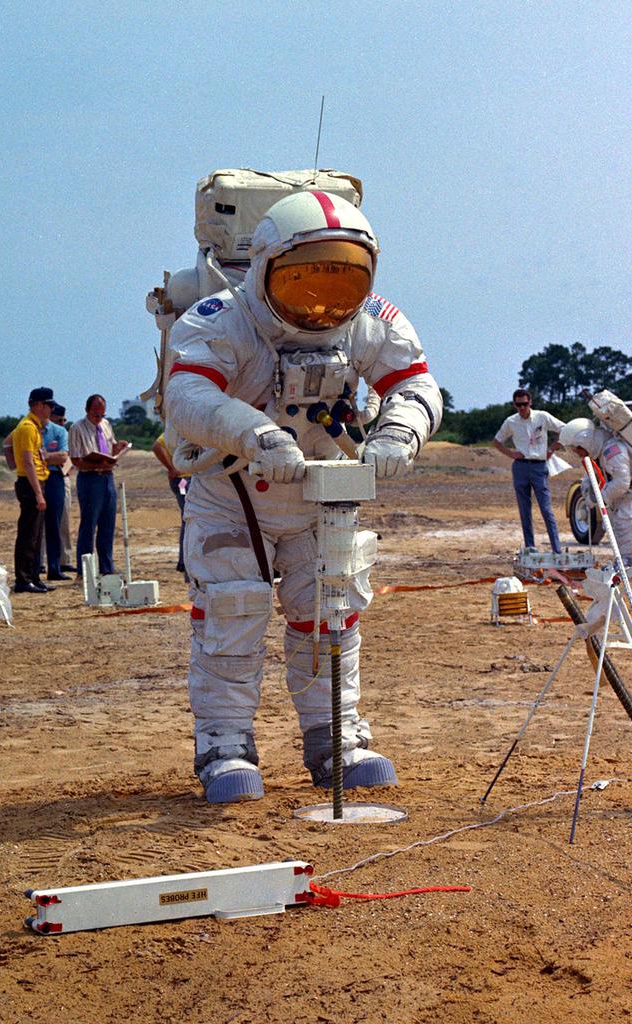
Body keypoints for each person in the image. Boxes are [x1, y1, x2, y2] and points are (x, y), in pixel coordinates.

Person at [162, 189, 443, 804]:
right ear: (264, 266)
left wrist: (400, 429)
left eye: (340, 282)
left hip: (322, 491)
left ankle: (337, 737)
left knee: (331, 615)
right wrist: (255, 432)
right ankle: (225, 744)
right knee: (233, 615)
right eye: (305, 280)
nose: (322, 302)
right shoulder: (219, 318)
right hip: (234, 489)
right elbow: (185, 396)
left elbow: (417, 382)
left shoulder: (370, 319)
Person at [560, 417, 632, 565]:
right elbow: (593, 473)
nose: (577, 453)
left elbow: (622, 482)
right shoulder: (600, 450)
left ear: (584, 441)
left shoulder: (613, 451)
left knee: (624, 520)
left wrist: (600, 498)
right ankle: (623, 558)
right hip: (628, 489)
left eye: (577, 448)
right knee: (613, 522)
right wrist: (587, 489)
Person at [492, 388, 567, 554]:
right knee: (524, 510)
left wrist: (553, 448)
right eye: (518, 405)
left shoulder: (542, 416)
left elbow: (564, 429)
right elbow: (497, 441)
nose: (522, 408)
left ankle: (557, 549)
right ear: (514, 405)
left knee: (546, 509)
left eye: (525, 404)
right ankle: (530, 547)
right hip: (520, 466)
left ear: (530, 402)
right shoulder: (511, 422)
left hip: (539, 466)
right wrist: (511, 453)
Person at [69, 394, 130, 575]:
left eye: (102, 415)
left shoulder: (106, 425)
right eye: (96, 415)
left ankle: (106, 568)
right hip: (89, 479)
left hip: (107, 477)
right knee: (89, 525)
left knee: (108, 525)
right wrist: (96, 465)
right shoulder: (77, 428)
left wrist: (118, 448)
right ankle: (85, 571)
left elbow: (109, 447)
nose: (99, 418)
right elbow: (76, 459)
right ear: (87, 411)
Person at [11, 387, 55, 594]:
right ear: (38, 405)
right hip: (30, 483)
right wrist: (38, 493)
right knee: (28, 534)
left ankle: (33, 576)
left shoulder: (34, 427)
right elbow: (28, 463)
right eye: (48, 405)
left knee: (36, 535)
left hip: (36, 481)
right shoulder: (28, 427)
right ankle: (23, 578)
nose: (51, 409)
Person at [39, 402, 71, 580]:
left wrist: (45, 457)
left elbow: (63, 457)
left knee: (56, 524)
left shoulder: (60, 432)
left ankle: (55, 567)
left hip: (56, 478)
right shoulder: (30, 429)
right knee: (37, 525)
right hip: (37, 478)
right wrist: (48, 458)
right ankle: (37, 566)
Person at [152, 431, 188, 574]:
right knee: (188, 517)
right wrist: (171, 468)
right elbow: (156, 446)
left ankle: (185, 559)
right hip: (184, 481)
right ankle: (184, 560)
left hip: (186, 479)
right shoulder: (174, 432)